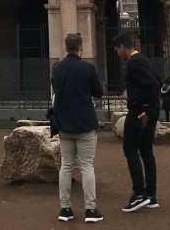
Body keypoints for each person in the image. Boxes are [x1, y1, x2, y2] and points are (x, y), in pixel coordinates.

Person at [51, 33, 104, 224]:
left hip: (64, 124)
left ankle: (64, 209)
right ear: (81, 47)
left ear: (66, 48)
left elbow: (56, 90)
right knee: (87, 166)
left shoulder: (57, 68)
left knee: (66, 166)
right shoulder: (87, 68)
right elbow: (98, 92)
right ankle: (90, 210)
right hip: (84, 123)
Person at [113, 33, 162, 213]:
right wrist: (152, 108)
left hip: (139, 112)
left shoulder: (133, 63)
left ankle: (139, 194)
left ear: (123, 47)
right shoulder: (144, 59)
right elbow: (158, 81)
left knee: (130, 148)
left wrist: (147, 109)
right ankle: (151, 195)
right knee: (146, 151)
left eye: (117, 49)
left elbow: (154, 85)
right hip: (147, 110)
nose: (116, 53)